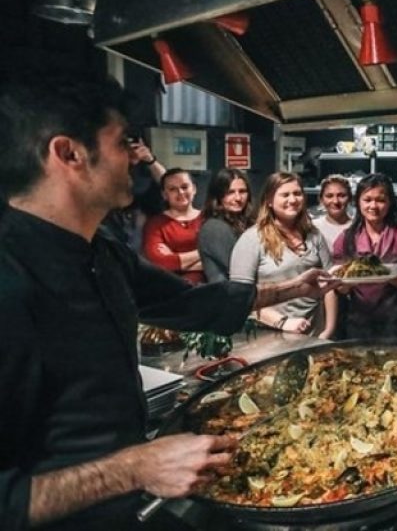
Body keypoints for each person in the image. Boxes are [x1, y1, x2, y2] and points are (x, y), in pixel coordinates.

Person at [0, 74, 340, 531]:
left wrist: (294, 288)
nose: (138, 157)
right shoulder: (10, 281)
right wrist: (134, 468)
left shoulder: (102, 251)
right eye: (125, 142)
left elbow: (197, 304)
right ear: (69, 154)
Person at [230, 172, 339, 338]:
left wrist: (328, 330)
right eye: (285, 195)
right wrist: (282, 322)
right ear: (269, 200)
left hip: (315, 334)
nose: (293, 200)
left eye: (297, 193)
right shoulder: (252, 239)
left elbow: (329, 284)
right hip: (270, 334)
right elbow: (240, 297)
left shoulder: (314, 235)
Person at [332, 173, 397, 339]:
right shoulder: (346, 239)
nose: (373, 206)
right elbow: (341, 287)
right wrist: (346, 281)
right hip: (358, 322)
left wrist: (388, 275)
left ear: (390, 203)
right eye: (367, 200)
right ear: (358, 202)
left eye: (380, 200)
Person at [142, 168, 205, 284]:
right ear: (165, 195)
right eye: (173, 189)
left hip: (211, 288)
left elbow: (222, 256)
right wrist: (205, 253)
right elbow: (160, 263)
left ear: (194, 189)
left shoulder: (209, 219)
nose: (180, 192)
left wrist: (175, 258)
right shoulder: (155, 224)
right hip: (172, 290)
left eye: (184, 187)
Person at [198, 168, 254, 283]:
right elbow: (241, 268)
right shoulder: (214, 227)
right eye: (230, 192)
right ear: (218, 196)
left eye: (242, 191)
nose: (238, 198)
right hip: (228, 296)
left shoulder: (247, 223)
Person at [312, 174, 352, 253]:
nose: (335, 201)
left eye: (341, 196)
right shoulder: (313, 227)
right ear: (321, 199)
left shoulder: (359, 227)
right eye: (329, 196)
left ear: (350, 198)